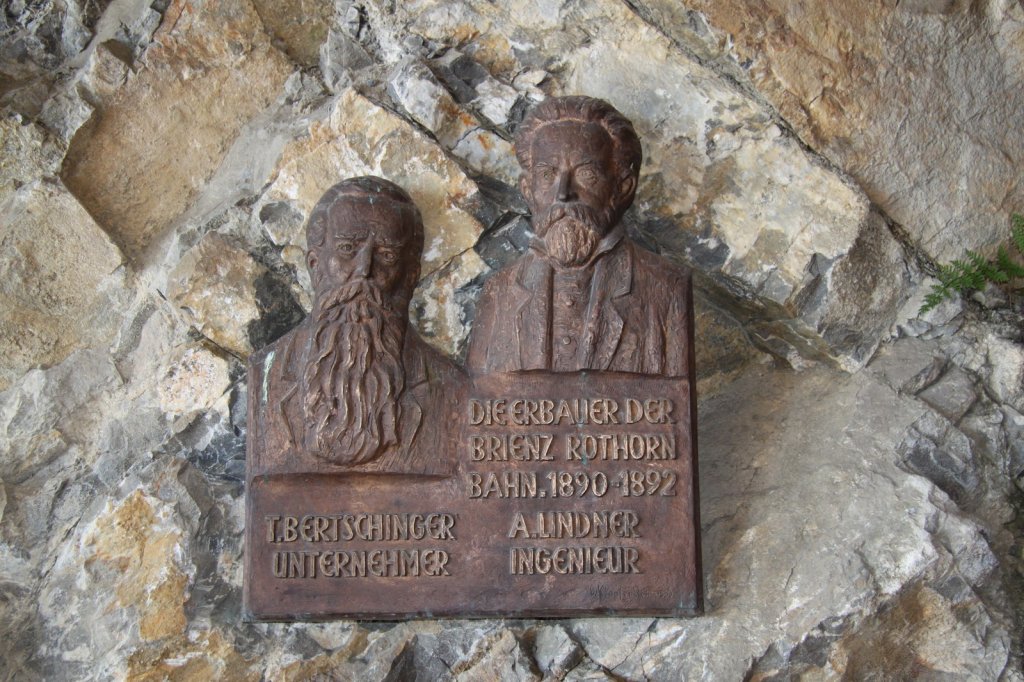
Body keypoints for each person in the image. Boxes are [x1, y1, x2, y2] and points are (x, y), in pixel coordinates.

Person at [248, 176, 461, 475]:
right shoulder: (267, 373)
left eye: (387, 255)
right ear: (315, 265)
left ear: (410, 276)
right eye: (348, 248)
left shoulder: (449, 385)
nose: (364, 271)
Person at [467, 96, 693, 376]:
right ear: (527, 189)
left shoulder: (666, 288)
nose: (563, 194)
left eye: (586, 174)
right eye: (547, 174)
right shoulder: (498, 293)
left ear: (622, 188)